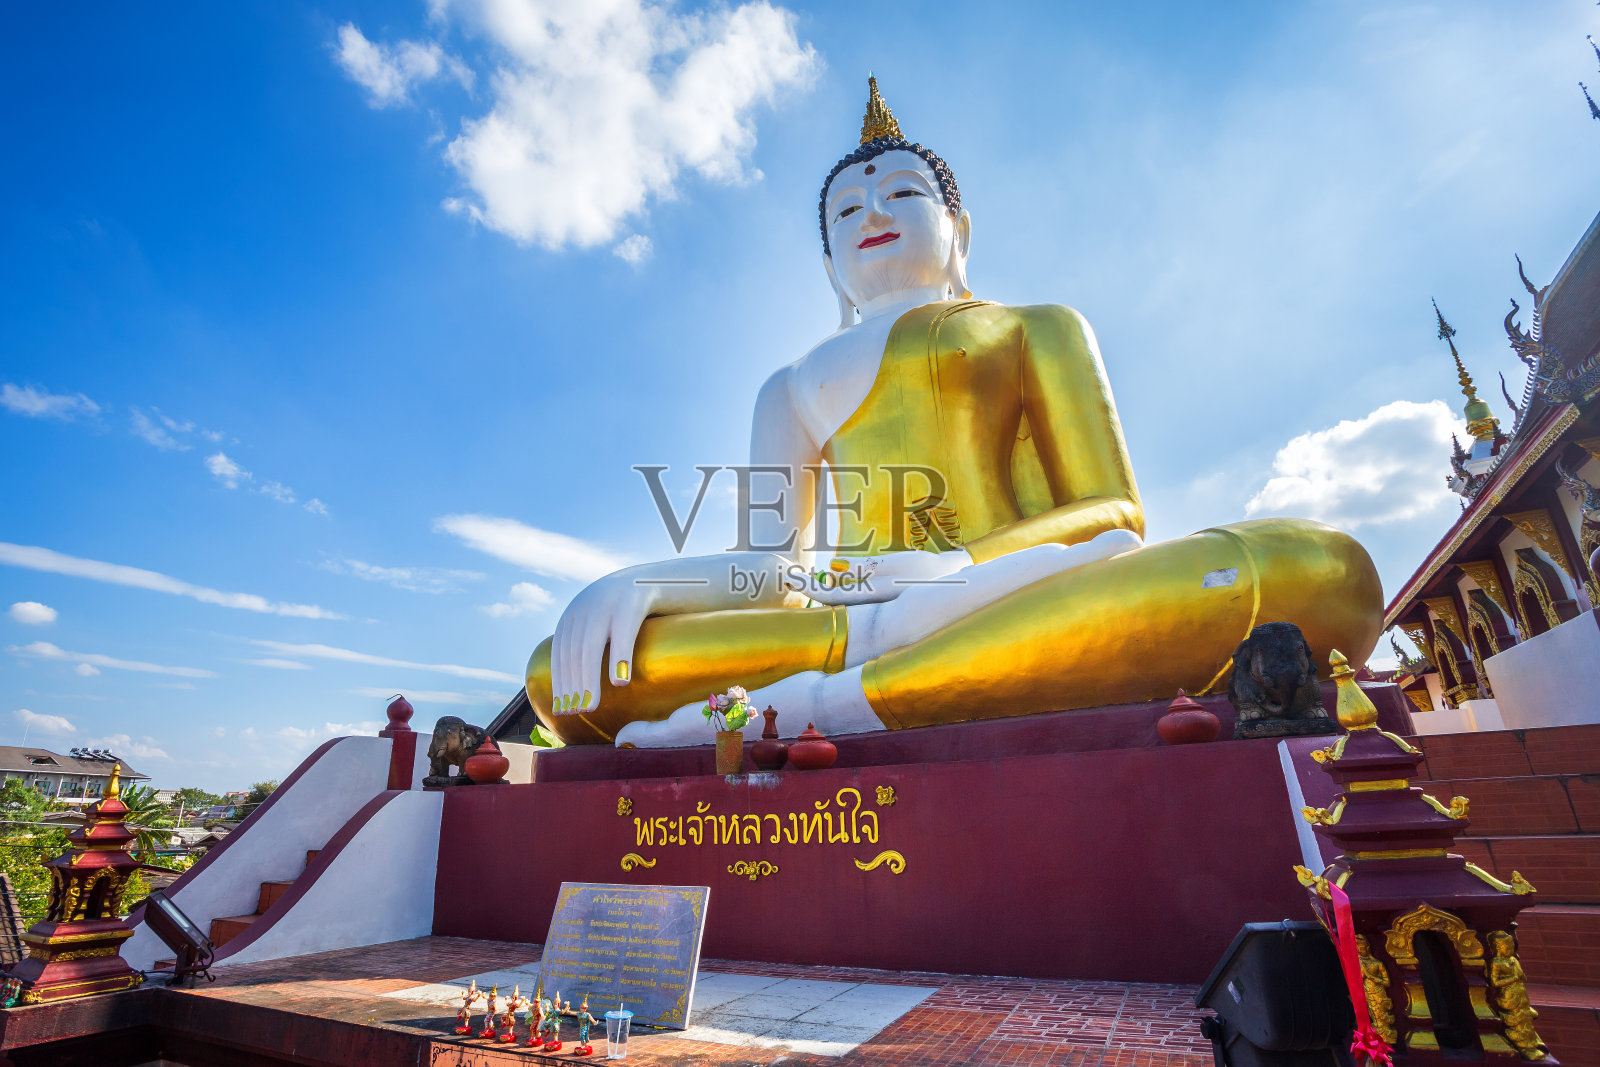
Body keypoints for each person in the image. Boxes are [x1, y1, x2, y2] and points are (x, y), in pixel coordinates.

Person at [527, 78, 1382, 748]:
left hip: (1007, 592)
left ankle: (838, 703)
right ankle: (868, 679)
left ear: (958, 231)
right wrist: (646, 584)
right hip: (845, 610)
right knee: (567, 672)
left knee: (1314, 573)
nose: (872, 213)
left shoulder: (1033, 326)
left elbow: (1114, 514)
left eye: (901, 195)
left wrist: (940, 583)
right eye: (847, 211)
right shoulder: (787, 384)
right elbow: (774, 566)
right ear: (831, 266)